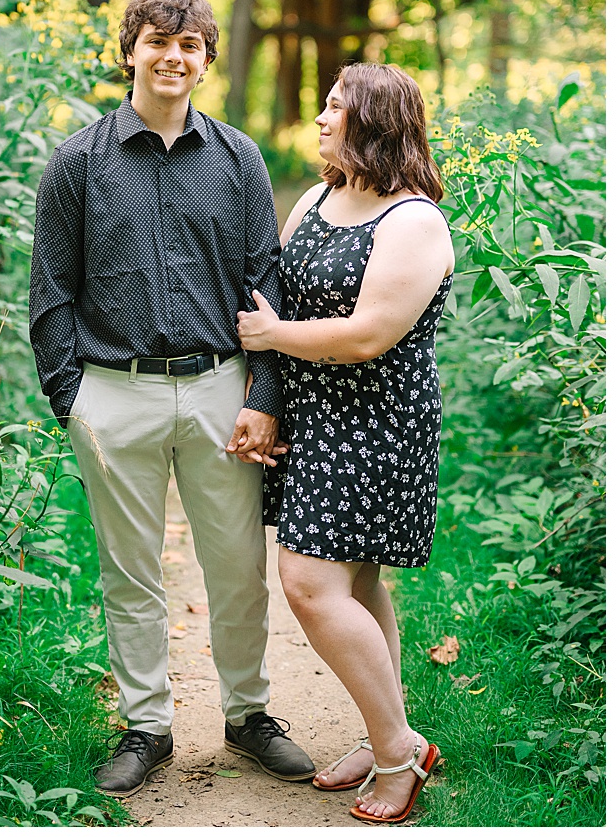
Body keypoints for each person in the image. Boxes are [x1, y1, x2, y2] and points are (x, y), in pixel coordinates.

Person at [29, 0, 314, 796]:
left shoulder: (238, 159)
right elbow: (51, 290)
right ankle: (147, 724)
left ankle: (249, 714)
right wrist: (72, 402)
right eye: (158, 41)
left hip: (222, 384)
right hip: (113, 392)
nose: (173, 57)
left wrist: (264, 396)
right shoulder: (78, 161)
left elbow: (266, 284)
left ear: (205, 60)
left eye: (189, 45)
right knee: (131, 570)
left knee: (235, 561)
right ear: (130, 52)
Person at [235, 61, 455, 824]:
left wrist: (271, 336)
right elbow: (277, 283)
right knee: (356, 584)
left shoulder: (414, 221)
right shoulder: (321, 196)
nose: (323, 117)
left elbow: (366, 336)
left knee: (308, 582)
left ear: (376, 122)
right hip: (316, 416)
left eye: (337, 107)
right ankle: (387, 732)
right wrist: (269, 396)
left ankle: (398, 756)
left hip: (377, 424)